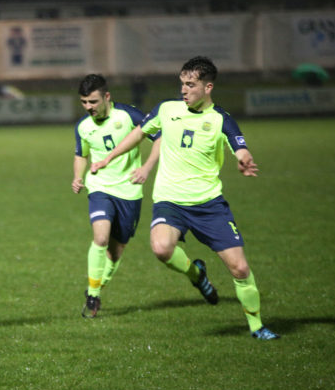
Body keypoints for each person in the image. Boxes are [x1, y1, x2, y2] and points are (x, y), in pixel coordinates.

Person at [91, 56, 279, 340]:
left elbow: (240, 147)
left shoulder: (221, 120)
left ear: (208, 87)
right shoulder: (166, 110)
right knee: (161, 248)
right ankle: (197, 275)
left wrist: (244, 158)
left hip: (209, 205)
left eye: (190, 85)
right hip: (170, 200)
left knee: (239, 268)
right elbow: (140, 133)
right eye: (182, 84)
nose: (184, 90)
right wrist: (108, 157)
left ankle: (257, 326)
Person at [72, 74, 161, 318]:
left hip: (129, 191)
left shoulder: (129, 115)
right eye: (84, 102)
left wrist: (146, 168)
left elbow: (160, 137)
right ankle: (92, 295)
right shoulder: (83, 126)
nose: (88, 107)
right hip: (99, 187)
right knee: (100, 238)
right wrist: (78, 176)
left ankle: (96, 289)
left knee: (115, 252)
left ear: (107, 97)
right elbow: (81, 154)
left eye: (93, 101)